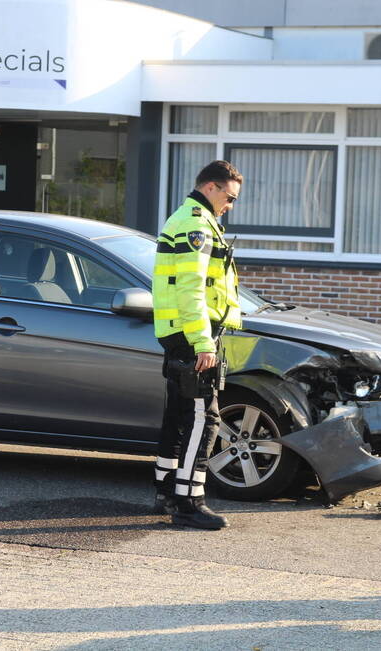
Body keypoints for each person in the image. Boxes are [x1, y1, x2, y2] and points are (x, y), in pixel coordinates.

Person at [151, 160, 243, 530]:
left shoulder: (186, 218)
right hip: (193, 335)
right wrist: (204, 343)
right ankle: (190, 502)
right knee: (205, 418)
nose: (230, 205)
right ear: (211, 188)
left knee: (178, 414)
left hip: (179, 332)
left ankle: (166, 491)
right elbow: (192, 290)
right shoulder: (195, 225)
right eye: (230, 197)